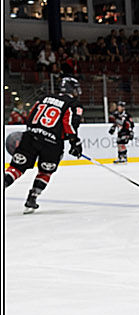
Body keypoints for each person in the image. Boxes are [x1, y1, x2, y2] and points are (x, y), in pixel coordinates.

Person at [4, 75, 84, 212]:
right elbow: (69, 123)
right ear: (72, 89)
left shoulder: (44, 98)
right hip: (52, 144)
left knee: (16, 168)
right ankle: (32, 198)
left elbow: (31, 115)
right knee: (45, 171)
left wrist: (34, 131)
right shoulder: (73, 104)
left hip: (31, 137)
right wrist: (74, 141)